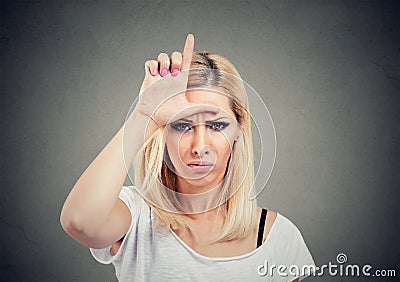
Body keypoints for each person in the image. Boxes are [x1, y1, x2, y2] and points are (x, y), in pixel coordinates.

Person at [60, 34, 316, 281]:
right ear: (163, 132)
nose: (199, 146)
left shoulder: (277, 236)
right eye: (182, 125)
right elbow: (79, 222)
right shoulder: (135, 215)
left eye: (217, 126)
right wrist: (145, 114)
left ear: (239, 129)